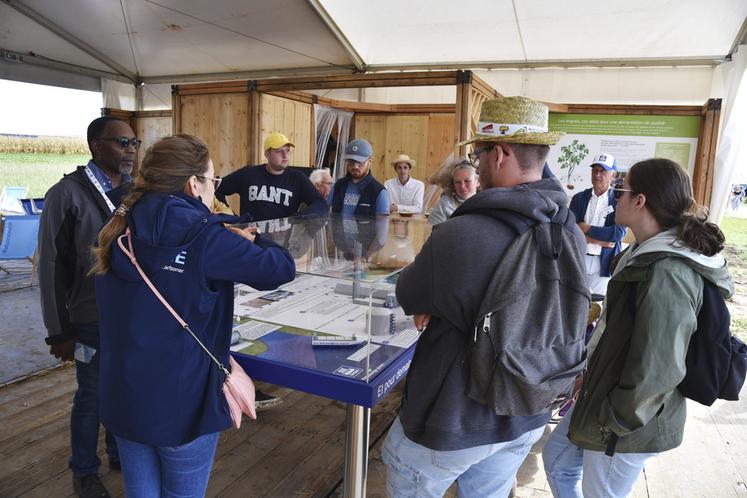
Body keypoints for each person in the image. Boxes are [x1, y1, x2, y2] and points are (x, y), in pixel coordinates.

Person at [382, 96, 587, 497]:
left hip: (457, 415)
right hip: (530, 408)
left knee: (409, 478)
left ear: (501, 153)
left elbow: (409, 291)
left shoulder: (464, 233)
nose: (475, 164)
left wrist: (433, 301)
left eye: (478, 154)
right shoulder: (569, 232)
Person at [91, 134, 296, 497]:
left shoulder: (120, 220)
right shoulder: (206, 234)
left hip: (123, 392)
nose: (214, 189)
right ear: (193, 183)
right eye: (213, 181)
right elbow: (279, 269)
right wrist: (251, 237)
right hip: (183, 400)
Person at [544, 158, 734, 498]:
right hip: (603, 395)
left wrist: (613, 422)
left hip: (626, 422)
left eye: (622, 189)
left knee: (601, 492)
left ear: (641, 200)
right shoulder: (642, 251)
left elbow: (659, 368)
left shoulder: (667, 270)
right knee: (558, 461)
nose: (616, 196)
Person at [37, 116, 137, 498]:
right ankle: (83, 470)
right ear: (96, 145)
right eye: (121, 143)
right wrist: (58, 331)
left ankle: (116, 452)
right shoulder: (66, 194)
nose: (130, 150)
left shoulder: (134, 192)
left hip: (127, 315)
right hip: (89, 316)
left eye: (134, 143)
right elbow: (50, 266)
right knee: (92, 394)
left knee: (121, 387)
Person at [215, 131, 327, 220]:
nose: (285, 155)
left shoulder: (298, 178)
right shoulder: (248, 174)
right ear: (267, 154)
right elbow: (217, 188)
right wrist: (230, 217)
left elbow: (320, 203)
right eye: (279, 151)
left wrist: (297, 218)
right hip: (250, 240)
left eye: (287, 151)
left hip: (282, 242)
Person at [569, 153, 626, 295]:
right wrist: (595, 240)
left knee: (597, 306)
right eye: (595, 170)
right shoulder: (579, 198)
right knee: (574, 301)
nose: (598, 175)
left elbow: (617, 233)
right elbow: (569, 230)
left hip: (603, 264)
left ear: (613, 175)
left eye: (603, 171)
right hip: (578, 258)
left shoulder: (620, 201)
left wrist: (586, 228)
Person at [330, 138, 389, 217]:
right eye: (351, 162)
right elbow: (323, 208)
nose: (355, 166)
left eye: (360, 162)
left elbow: (382, 226)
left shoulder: (379, 192)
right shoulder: (338, 186)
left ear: (370, 161)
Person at [428, 159, 479, 225]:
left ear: (478, 182)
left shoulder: (485, 202)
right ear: (453, 185)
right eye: (458, 182)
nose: (462, 186)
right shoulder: (444, 205)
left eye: (467, 181)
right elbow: (435, 231)